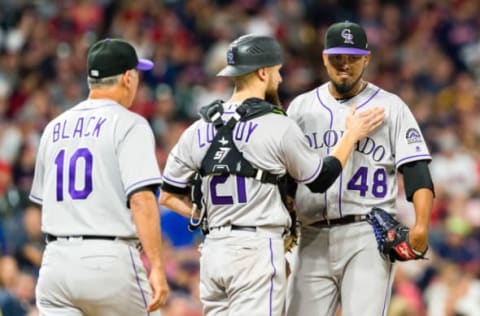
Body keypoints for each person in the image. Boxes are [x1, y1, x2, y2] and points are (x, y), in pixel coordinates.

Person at [159, 33, 384, 316]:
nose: (279, 79)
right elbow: (320, 178)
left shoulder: (197, 129)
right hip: (255, 249)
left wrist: (207, 219)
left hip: (213, 251)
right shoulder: (277, 125)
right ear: (263, 72)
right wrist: (351, 135)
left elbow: (167, 196)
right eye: (277, 71)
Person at [285, 21, 435, 316]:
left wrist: (421, 225)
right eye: (338, 57)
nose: (345, 65)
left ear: (367, 58)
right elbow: (287, 178)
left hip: (366, 233)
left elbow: (417, 169)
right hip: (310, 235)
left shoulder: (391, 107)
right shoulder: (300, 109)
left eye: (353, 57)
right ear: (324, 57)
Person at [29, 38, 169, 315]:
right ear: (128, 78)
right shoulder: (130, 123)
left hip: (56, 263)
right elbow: (142, 199)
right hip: (109, 260)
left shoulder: (53, 128)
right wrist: (157, 266)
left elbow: (39, 207)